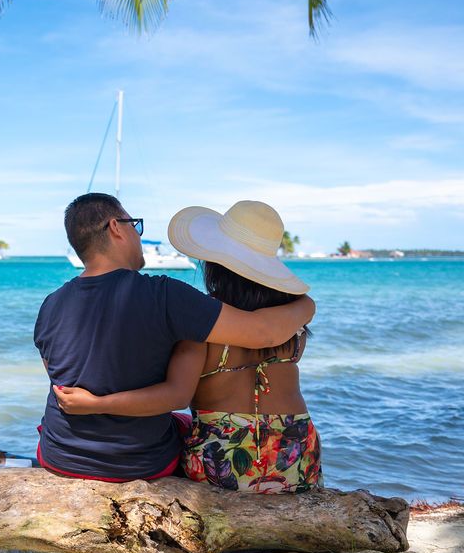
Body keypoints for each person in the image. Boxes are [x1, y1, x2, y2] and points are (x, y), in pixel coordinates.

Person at [35, 194, 315, 483]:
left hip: (58, 455)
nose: (139, 236)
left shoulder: (50, 305)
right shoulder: (168, 297)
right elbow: (262, 332)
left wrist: (95, 403)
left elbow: (59, 381)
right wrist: (307, 305)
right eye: (136, 226)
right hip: (141, 463)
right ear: (116, 228)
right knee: (180, 425)